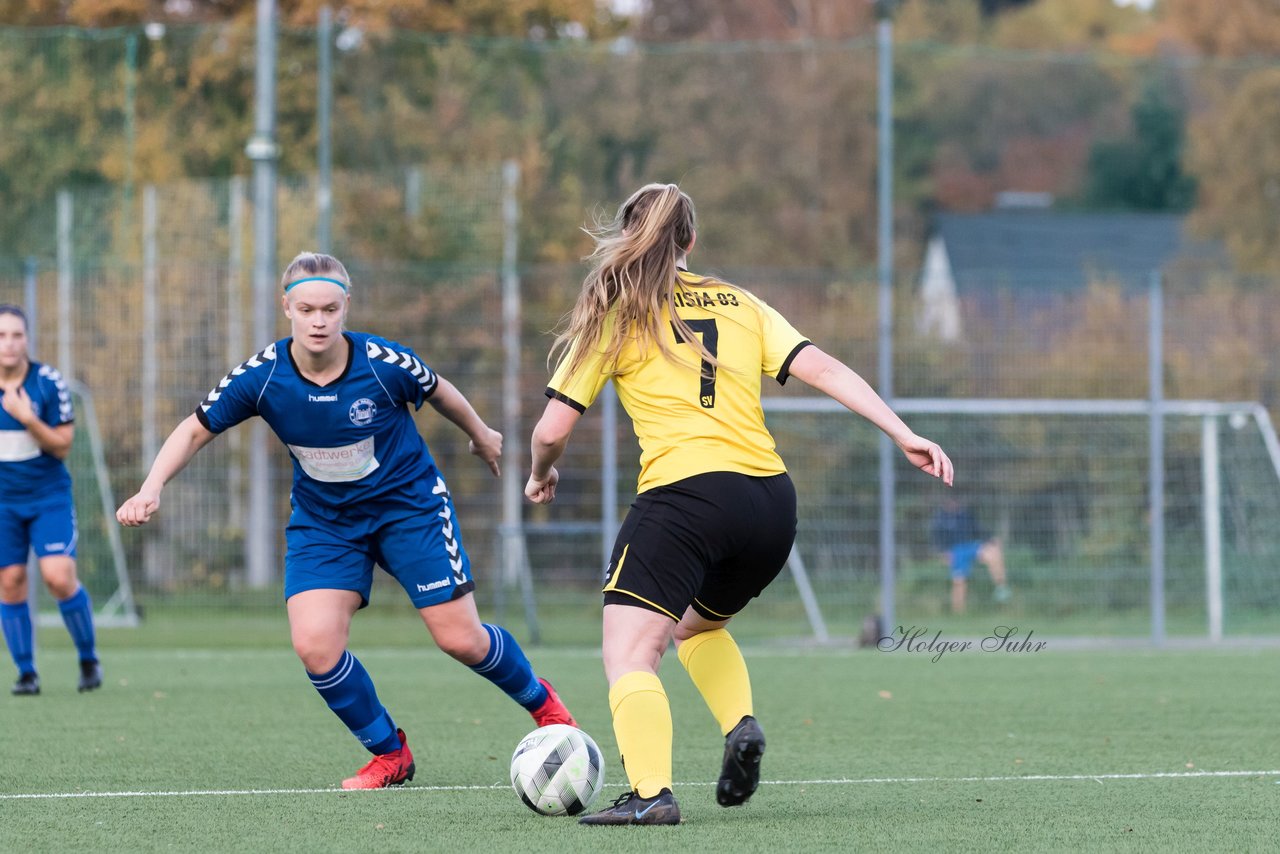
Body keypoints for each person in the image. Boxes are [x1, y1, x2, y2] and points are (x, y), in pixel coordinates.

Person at [525, 183, 953, 825]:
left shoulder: (619, 309)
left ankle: (650, 797)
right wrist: (902, 431)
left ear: (627, 237)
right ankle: (740, 727)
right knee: (697, 625)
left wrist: (540, 475)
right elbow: (827, 369)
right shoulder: (741, 302)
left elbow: (552, 431)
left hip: (686, 495)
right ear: (691, 242)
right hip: (770, 504)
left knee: (629, 653)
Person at [116, 252, 575, 788]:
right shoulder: (262, 377)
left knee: (460, 639)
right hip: (326, 521)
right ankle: (389, 753)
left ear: (345, 308)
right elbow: (194, 429)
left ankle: (546, 708)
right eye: (307, 308)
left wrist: (480, 433)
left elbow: (437, 389)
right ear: (286, 306)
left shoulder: (383, 363)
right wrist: (151, 487)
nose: (318, 320)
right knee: (315, 644)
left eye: (330, 309)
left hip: (410, 509)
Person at [0, 304, 102, 696]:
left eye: (16, 335)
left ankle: (88, 659)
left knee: (58, 577)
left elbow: (62, 447)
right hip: (4, 504)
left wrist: (27, 418)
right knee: (10, 581)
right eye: (2, 335)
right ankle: (26, 673)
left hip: (47, 497)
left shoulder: (48, 383)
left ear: (27, 339)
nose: (9, 344)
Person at [930, 495, 1010, 613]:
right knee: (959, 582)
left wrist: (991, 539)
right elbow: (936, 539)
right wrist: (943, 553)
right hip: (955, 552)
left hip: (972, 546)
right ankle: (958, 612)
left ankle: (1001, 588)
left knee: (994, 553)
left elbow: (978, 529)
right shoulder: (940, 519)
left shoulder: (965, 515)